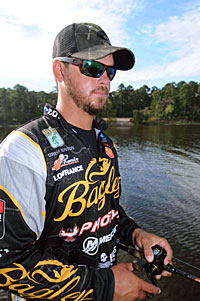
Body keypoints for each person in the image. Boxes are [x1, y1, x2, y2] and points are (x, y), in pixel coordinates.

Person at [0, 23, 173, 301]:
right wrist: (105, 286)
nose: (104, 80)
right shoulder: (22, 151)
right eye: (92, 68)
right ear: (59, 70)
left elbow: (107, 213)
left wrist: (137, 236)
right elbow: (8, 263)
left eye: (110, 71)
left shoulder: (105, 144)